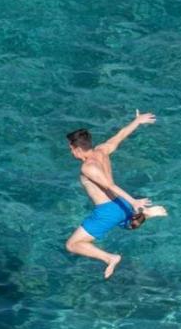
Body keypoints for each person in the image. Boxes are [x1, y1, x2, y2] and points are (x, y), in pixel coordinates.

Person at [64, 111, 168, 278]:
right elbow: (119, 136)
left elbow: (109, 185)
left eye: (71, 148)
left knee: (73, 244)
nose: (71, 153)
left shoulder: (88, 167)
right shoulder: (102, 151)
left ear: (77, 148)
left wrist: (134, 201)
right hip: (120, 204)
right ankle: (145, 214)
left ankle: (110, 258)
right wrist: (137, 122)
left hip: (108, 209)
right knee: (127, 224)